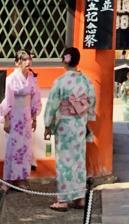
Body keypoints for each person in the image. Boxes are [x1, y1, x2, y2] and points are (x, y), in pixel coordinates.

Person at [43, 47, 96, 213]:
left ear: (64, 61)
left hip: (64, 125)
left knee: (64, 161)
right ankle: (79, 198)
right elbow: (91, 100)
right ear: (77, 61)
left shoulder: (60, 82)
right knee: (78, 160)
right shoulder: (86, 81)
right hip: (79, 123)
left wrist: (47, 124)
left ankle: (63, 200)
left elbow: (52, 104)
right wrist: (86, 117)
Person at [0, 51, 40, 186]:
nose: (27, 62)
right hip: (15, 115)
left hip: (27, 115)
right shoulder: (11, 79)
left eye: (29, 59)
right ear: (17, 62)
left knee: (25, 147)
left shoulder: (32, 78)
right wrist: (6, 119)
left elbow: (35, 98)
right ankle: (9, 179)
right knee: (13, 146)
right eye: (24, 60)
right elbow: (7, 99)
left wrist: (34, 117)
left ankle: (22, 177)